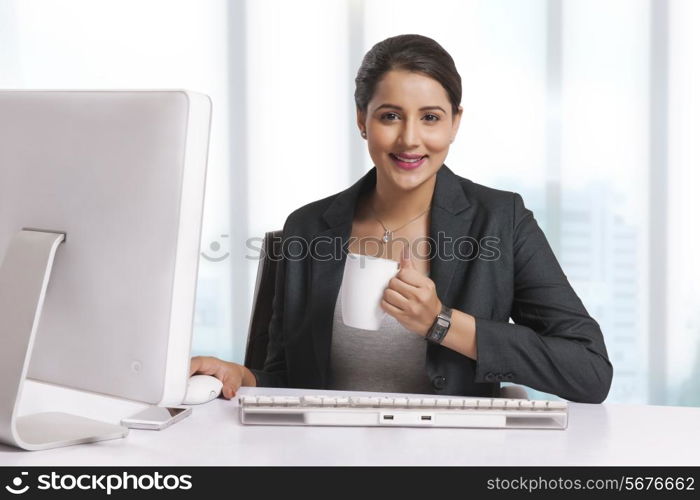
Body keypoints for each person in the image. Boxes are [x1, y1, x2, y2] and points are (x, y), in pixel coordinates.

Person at [191, 34, 613, 403]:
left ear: (454, 124)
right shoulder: (307, 228)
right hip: (328, 460)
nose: (410, 139)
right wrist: (241, 377)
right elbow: (287, 378)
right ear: (362, 120)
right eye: (390, 116)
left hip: (452, 462)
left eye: (430, 117)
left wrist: (441, 323)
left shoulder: (501, 220)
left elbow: (590, 372)